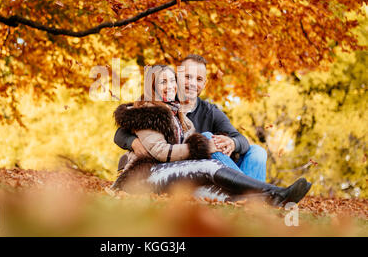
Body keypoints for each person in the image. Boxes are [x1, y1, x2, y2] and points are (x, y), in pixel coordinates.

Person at [111, 65, 311, 207]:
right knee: (208, 164)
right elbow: (160, 151)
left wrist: (230, 143)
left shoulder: (181, 116)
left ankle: (272, 202)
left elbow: (237, 138)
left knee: (212, 193)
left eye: (172, 80)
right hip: (146, 175)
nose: (171, 85)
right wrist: (204, 147)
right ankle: (275, 191)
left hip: (172, 172)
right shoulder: (149, 112)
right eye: (164, 82)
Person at [115, 54, 267, 182]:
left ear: (205, 83)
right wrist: (133, 142)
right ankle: (257, 193)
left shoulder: (211, 112)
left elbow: (242, 140)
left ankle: (251, 195)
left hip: (210, 169)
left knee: (258, 152)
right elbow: (122, 131)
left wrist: (233, 143)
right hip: (177, 171)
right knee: (206, 137)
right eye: (187, 77)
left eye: (199, 79)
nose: (192, 83)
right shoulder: (160, 101)